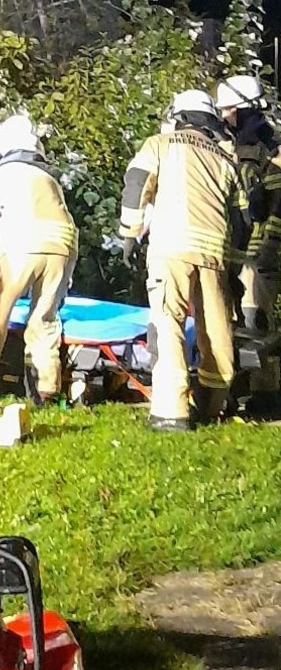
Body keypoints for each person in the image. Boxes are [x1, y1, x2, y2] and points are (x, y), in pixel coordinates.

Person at [119, 90, 250, 431]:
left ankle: (171, 411)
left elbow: (137, 183)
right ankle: (212, 403)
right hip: (214, 253)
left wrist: (129, 234)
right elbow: (242, 221)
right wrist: (233, 267)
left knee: (168, 323)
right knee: (216, 329)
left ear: (179, 116)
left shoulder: (160, 144)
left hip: (172, 247)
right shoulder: (225, 159)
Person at [0, 114, 77, 404]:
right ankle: (46, 391)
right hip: (61, 248)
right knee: (45, 318)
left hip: (20, 245)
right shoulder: (50, 179)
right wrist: (65, 279)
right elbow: (69, 227)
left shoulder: (1, 173)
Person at [215, 74, 280, 333]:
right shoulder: (229, 145)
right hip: (230, 250)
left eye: (228, 110)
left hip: (259, 255)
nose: (224, 117)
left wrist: (269, 245)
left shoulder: (273, 147)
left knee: (254, 325)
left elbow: (277, 201)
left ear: (243, 109)